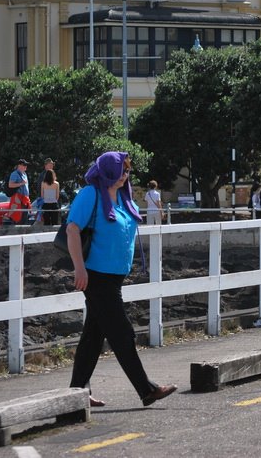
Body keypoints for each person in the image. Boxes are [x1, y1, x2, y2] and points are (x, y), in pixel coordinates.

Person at [66, 151, 176, 408]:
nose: (125, 175)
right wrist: (79, 269)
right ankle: (146, 389)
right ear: (107, 172)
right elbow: (72, 229)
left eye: (127, 171)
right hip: (96, 276)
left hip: (114, 278)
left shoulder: (124, 198)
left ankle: (76, 393)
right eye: (120, 171)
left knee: (93, 337)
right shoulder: (90, 194)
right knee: (122, 334)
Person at [6, 159, 31, 225]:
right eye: (24, 165)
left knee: (24, 219)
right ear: (19, 166)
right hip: (18, 200)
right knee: (18, 219)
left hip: (25, 200)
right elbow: (10, 185)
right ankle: (17, 234)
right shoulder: (14, 174)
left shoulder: (24, 174)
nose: (26, 166)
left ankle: (21, 233)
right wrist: (21, 183)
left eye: (26, 165)